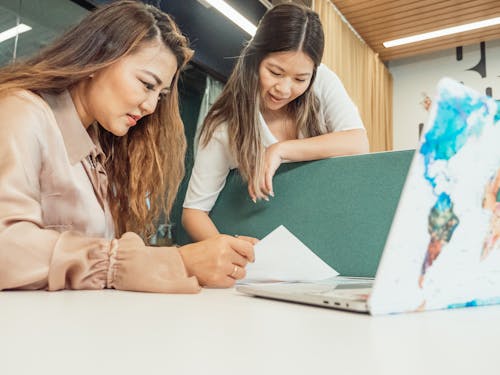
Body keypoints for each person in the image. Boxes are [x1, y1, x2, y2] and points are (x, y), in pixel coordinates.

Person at [0, 0, 255, 293]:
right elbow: (5, 246)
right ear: (98, 58)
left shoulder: (99, 150)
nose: (150, 106)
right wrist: (173, 260)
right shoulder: (21, 112)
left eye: (160, 95)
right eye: (147, 84)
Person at [182, 3, 369, 242]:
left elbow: (358, 142)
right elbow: (194, 213)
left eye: (300, 79)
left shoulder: (322, 81)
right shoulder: (225, 125)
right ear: (255, 59)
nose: (284, 89)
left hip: (330, 232)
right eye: (275, 72)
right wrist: (226, 249)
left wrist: (280, 150)